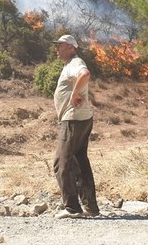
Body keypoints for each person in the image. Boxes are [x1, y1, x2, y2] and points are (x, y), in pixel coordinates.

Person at [51, 34, 100, 218]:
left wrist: (75, 94)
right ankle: (91, 207)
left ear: (71, 47)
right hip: (81, 118)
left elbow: (85, 74)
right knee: (80, 161)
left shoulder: (75, 63)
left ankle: (71, 208)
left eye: (61, 46)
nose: (58, 49)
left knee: (61, 163)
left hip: (73, 119)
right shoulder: (70, 65)